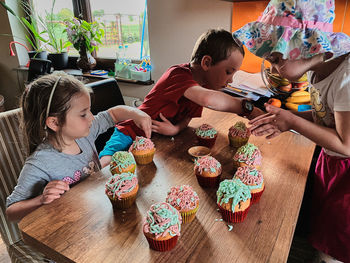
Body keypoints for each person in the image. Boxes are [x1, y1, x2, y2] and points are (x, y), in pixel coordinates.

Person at [234, 1, 350, 262]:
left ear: (307, 46)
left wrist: (293, 122)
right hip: (331, 165)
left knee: (338, 244)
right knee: (323, 232)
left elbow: (346, 144)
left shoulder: (347, 78)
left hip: (347, 177)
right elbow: (324, 115)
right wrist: (286, 119)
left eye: (275, 60)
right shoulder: (316, 71)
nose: (273, 69)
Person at [99, 28, 265, 167]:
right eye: (229, 72)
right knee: (106, 164)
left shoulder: (202, 87)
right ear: (206, 63)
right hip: (130, 131)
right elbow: (209, 100)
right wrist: (247, 108)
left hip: (155, 140)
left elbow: (187, 117)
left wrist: (176, 129)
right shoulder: (178, 75)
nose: (230, 80)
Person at [6, 73, 152, 222]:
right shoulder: (39, 163)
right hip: (71, 226)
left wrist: (137, 114)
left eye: (89, 110)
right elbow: (11, 210)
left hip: (97, 212)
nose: (91, 117)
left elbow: (113, 114)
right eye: (83, 114)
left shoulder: (85, 133)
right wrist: (41, 199)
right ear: (54, 123)